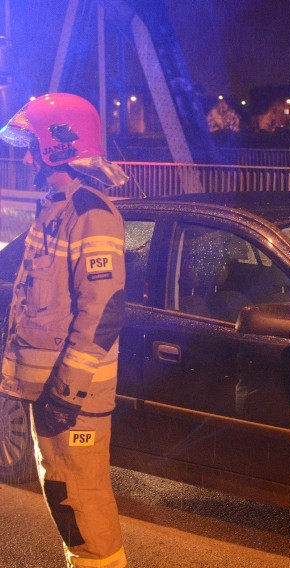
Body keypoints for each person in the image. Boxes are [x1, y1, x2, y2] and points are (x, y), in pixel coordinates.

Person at [0, 93, 129, 568]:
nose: (28, 156)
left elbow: (103, 311)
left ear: (59, 146)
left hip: (72, 396)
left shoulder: (90, 212)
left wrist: (66, 393)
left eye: (34, 145)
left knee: (81, 497)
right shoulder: (55, 207)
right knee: (63, 492)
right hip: (49, 388)